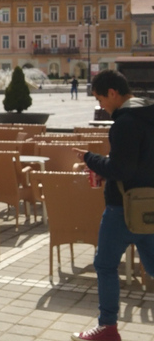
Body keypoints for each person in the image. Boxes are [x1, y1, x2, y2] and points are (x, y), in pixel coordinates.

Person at [71, 70, 154, 341]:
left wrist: (90, 158)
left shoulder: (125, 123)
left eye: (100, 99)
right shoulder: (148, 114)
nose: (101, 106)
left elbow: (121, 168)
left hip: (122, 207)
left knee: (105, 266)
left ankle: (107, 329)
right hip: (150, 205)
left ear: (113, 93)